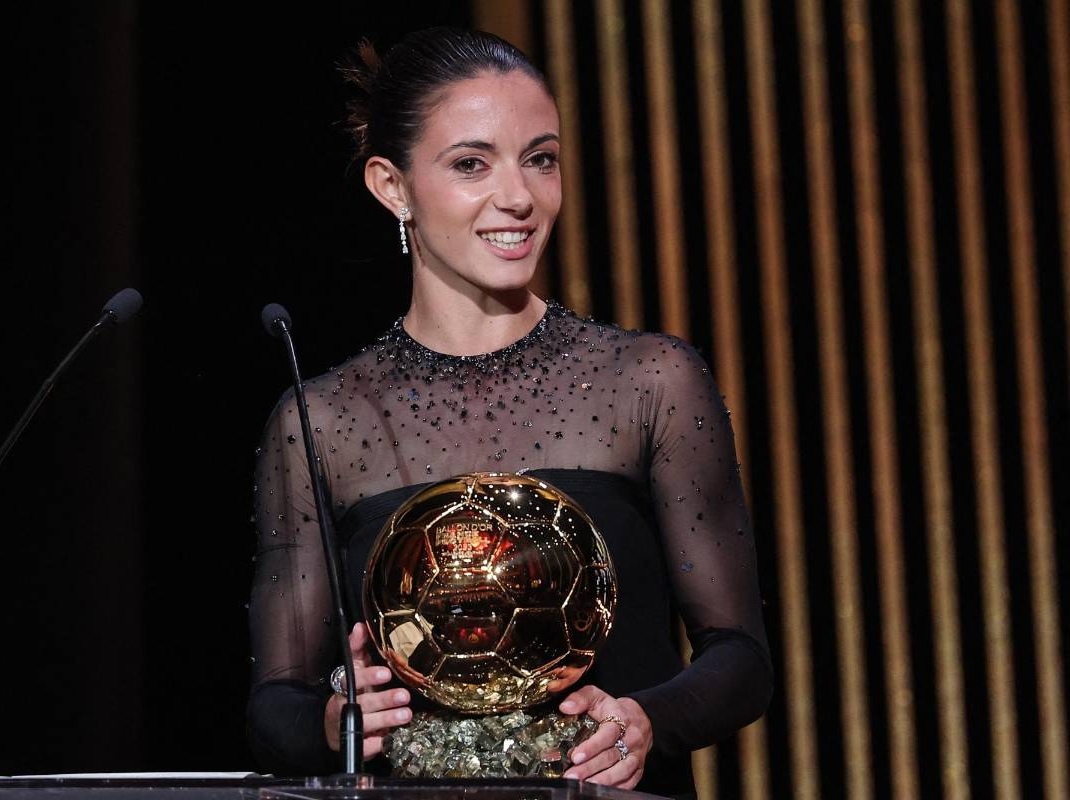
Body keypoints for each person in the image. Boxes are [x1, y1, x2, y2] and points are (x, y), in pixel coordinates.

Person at [246, 27, 773, 797]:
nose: (520, 197)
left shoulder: (648, 382)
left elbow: (741, 659)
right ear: (392, 186)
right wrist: (335, 722)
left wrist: (647, 720)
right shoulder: (321, 422)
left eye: (541, 159)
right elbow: (274, 707)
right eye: (471, 164)